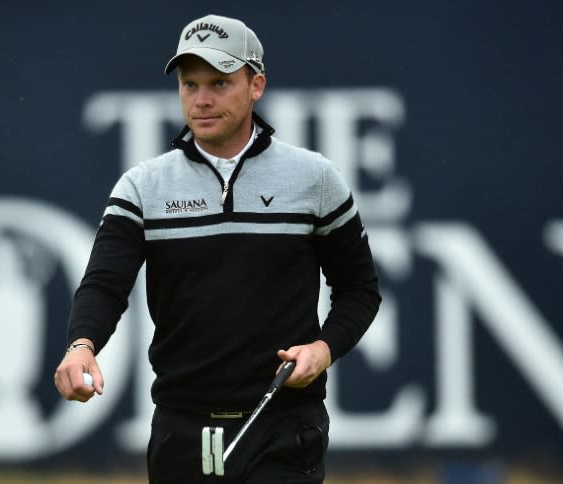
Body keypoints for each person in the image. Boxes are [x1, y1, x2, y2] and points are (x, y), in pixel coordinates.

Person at [54, 13, 381, 483]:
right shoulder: (143, 186)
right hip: (181, 429)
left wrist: (324, 349)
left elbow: (359, 289)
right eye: (190, 85)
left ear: (256, 85)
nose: (202, 100)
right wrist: (82, 345)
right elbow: (105, 284)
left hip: (284, 426)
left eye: (220, 83)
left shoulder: (314, 179)